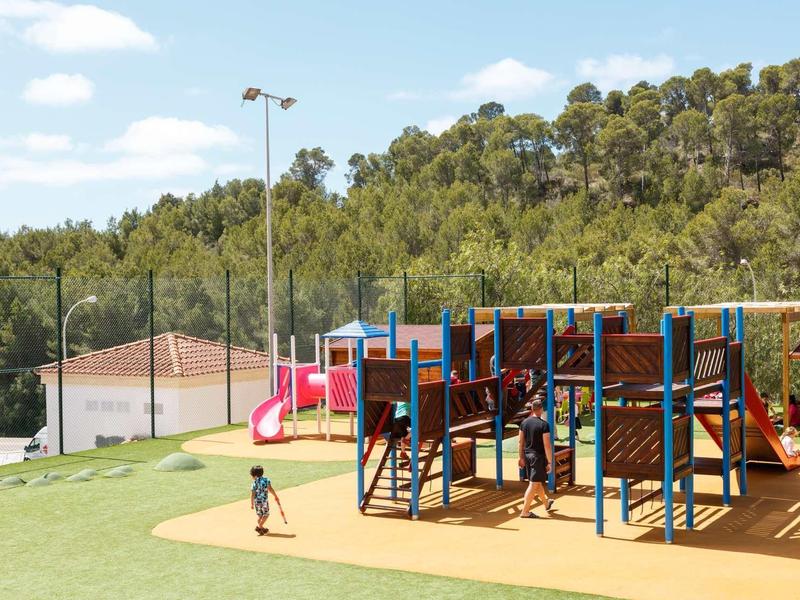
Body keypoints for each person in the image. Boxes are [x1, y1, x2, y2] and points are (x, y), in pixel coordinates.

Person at [518, 399, 554, 519]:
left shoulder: (524, 423)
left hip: (527, 455)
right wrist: (550, 461)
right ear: (541, 409)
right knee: (533, 484)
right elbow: (547, 445)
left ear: (532, 409)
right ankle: (525, 511)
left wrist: (520, 457)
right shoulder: (544, 425)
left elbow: (520, 442)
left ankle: (546, 502)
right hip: (537, 457)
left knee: (536, 482)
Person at [250, 465, 280, 536]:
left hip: (257, 502)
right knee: (266, 514)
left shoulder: (254, 483)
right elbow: (270, 489)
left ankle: (262, 529)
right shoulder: (266, 480)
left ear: (255, 475)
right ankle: (260, 526)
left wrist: (251, 503)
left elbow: (252, 494)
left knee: (260, 516)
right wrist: (275, 496)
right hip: (264, 501)